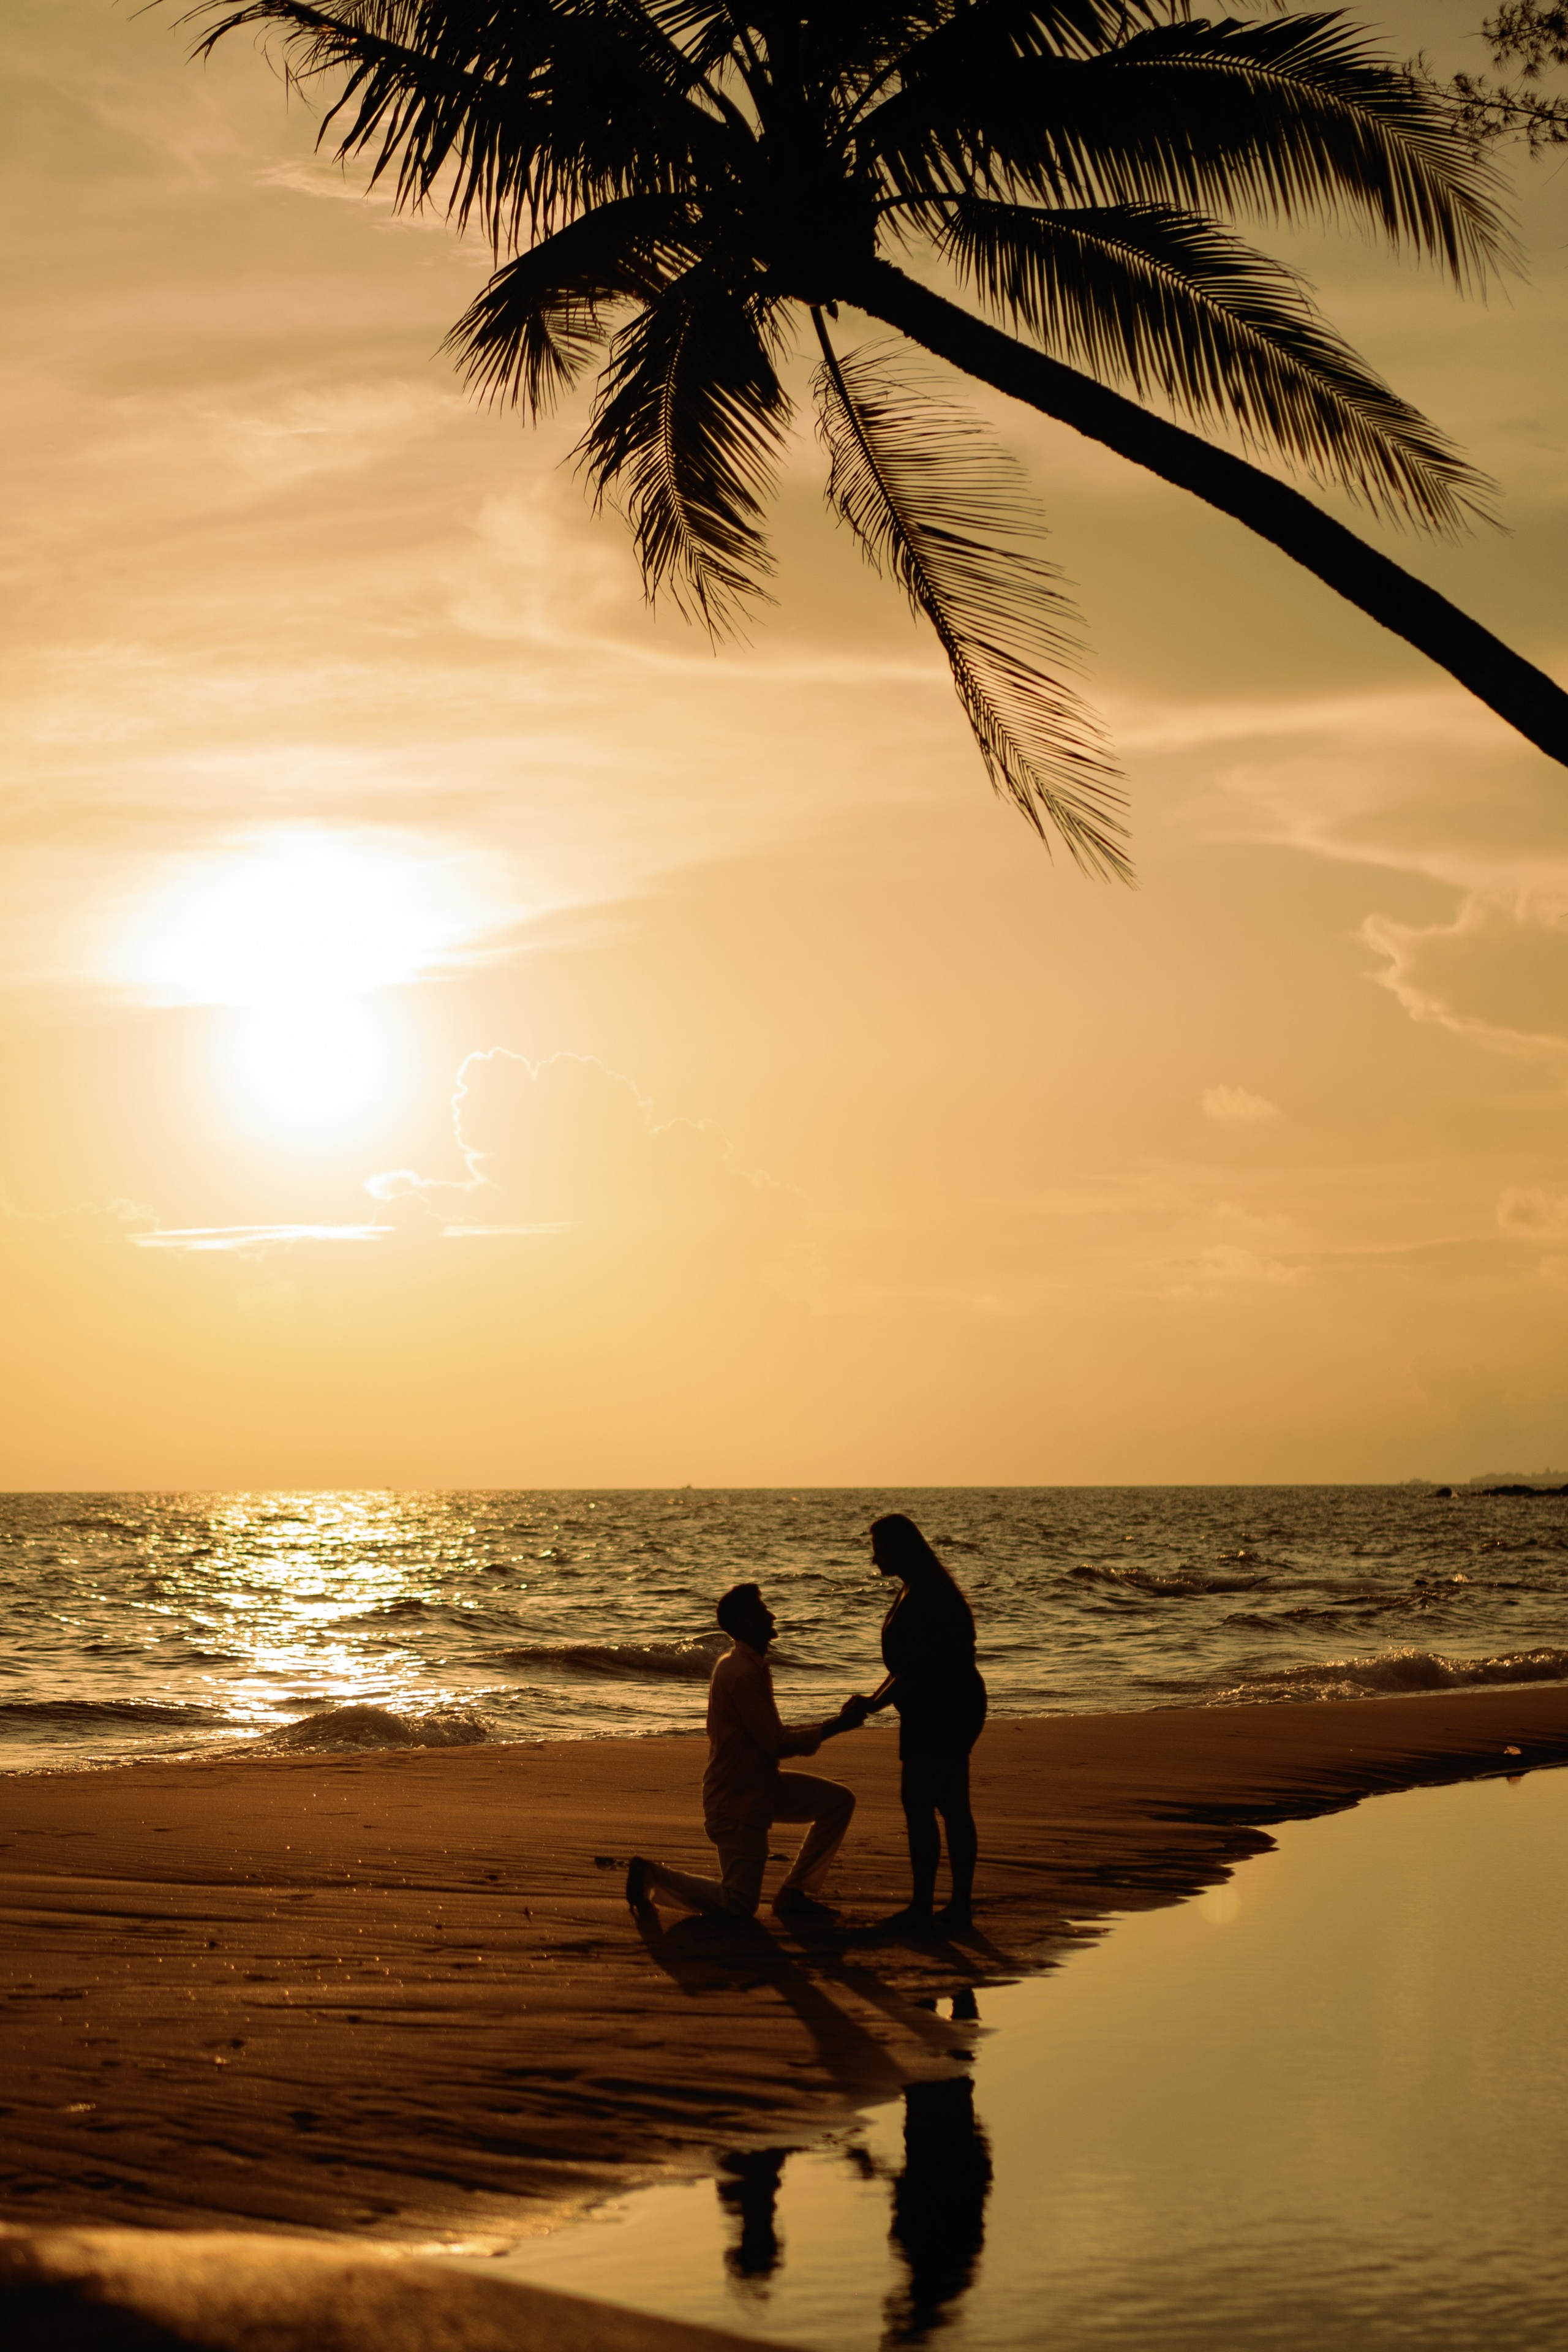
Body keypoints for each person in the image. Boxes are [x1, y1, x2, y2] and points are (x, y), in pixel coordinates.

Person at [627, 1581, 861, 1923]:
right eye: (762, 1611)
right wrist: (839, 1725)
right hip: (736, 1800)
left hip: (758, 1786)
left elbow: (770, 1738)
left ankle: (795, 1891)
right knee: (738, 1903)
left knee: (838, 1802)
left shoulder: (744, 1666)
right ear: (747, 1623)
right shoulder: (741, 1673)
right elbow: (776, 1743)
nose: (771, 1616)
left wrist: (837, 1724)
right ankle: (652, 1876)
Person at [846, 1512, 986, 1931]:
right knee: (932, 1803)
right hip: (935, 1704)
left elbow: (916, 1671)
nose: (875, 1561)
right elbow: (906, 1667)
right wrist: (873, 1700)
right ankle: (937, 1905)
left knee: (938, 1803)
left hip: (947, 1705)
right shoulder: (918, 1586)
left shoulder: (926, 1593)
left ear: (901, 1549)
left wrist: (872, 1708)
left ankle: (944, 1906)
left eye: (881, 1551)